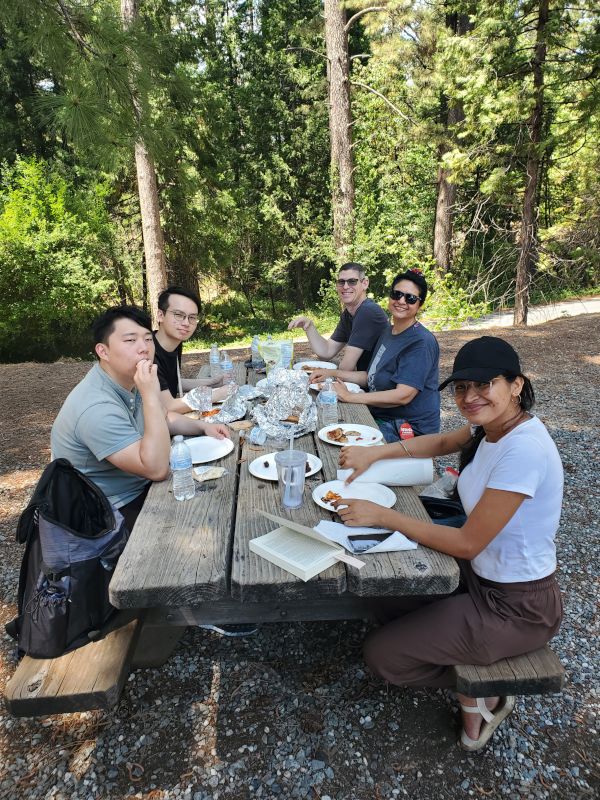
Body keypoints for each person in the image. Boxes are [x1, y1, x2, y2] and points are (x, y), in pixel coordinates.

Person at [333, 336, 563, 751]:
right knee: (384, 592)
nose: (470, 397)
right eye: (461, 388)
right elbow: (440, 442)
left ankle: (485, 690)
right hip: (478, 580)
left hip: (516, 606)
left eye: (483, 385)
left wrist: (382, 515)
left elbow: (468, 542)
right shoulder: (490, 427)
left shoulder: (524, 449)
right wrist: (377, 454)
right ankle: (457, 653)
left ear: (515, 385)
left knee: (383, 655)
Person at [51, 306, 228, 531]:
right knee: (206, 523)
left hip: (138, 486)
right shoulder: (96, 408)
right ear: (103, 351)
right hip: (108, 512)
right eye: (130, 340)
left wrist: (202, 426)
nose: (143, 348)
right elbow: (157, 469)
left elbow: (162, 418)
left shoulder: (125, 380)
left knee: (221, 497)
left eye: (147, 339)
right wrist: (151, 395)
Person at [311, 269, 440, 442]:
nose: (401, 301)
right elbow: (370, 376)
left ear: (420, 305)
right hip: (382, 414)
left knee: (337, 444)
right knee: (321, 421)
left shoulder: (420, 342)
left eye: (410, 298)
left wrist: (351, 397)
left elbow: (403, 395)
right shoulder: (389, 332)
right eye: (397, 294)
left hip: (406, 428)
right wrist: (330, 374)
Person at [288, 262, 388, 371]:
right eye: (341, 282)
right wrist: (309, 326)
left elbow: (346, 367)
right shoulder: (348, 314)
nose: (345, 286)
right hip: (367, 380)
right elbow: (326, 351)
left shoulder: (368, 312)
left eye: (352, 281)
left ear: (364, 283)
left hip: (380, 386)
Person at [153, 285, 230, 414]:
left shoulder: (175, 343)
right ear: (160, 315)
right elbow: (168, 406)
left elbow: (167, 383)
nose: (186, 323)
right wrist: (217, 394)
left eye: (192, 317)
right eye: (178, 315)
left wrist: (210, 383)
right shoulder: (146, 351)